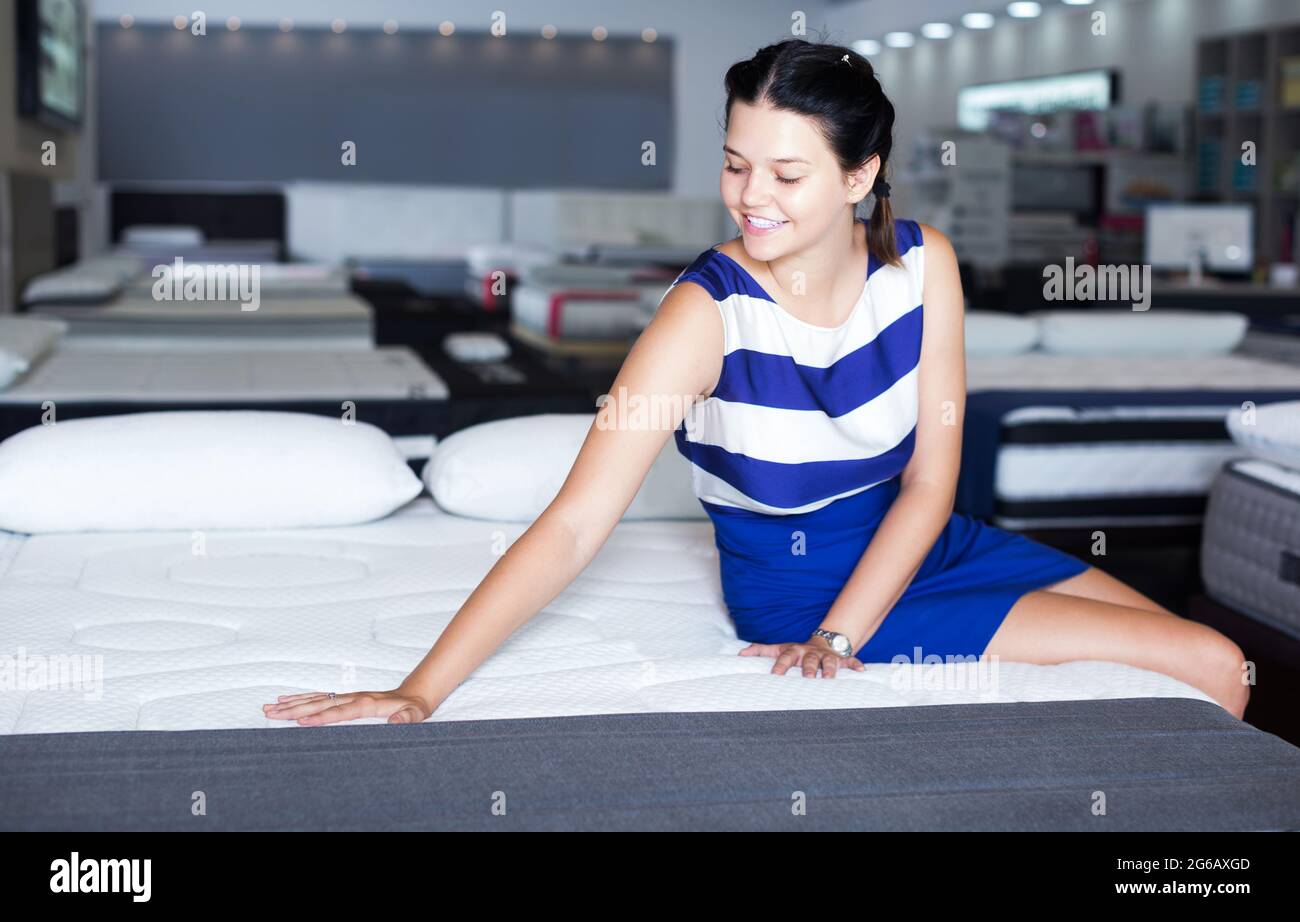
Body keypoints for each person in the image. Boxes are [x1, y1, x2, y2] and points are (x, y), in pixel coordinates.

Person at [265, 38, 1249, 726]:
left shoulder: (924, 265)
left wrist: (847, 632)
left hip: (931, 542)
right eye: (736, 166)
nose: (750, 198)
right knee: (1210, 661)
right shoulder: (706, 315)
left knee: (1202, 663)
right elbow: (572, 524)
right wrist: (421, 689)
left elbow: (930, 480)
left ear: (859, 176)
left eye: (785, 174)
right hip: (801, 588)